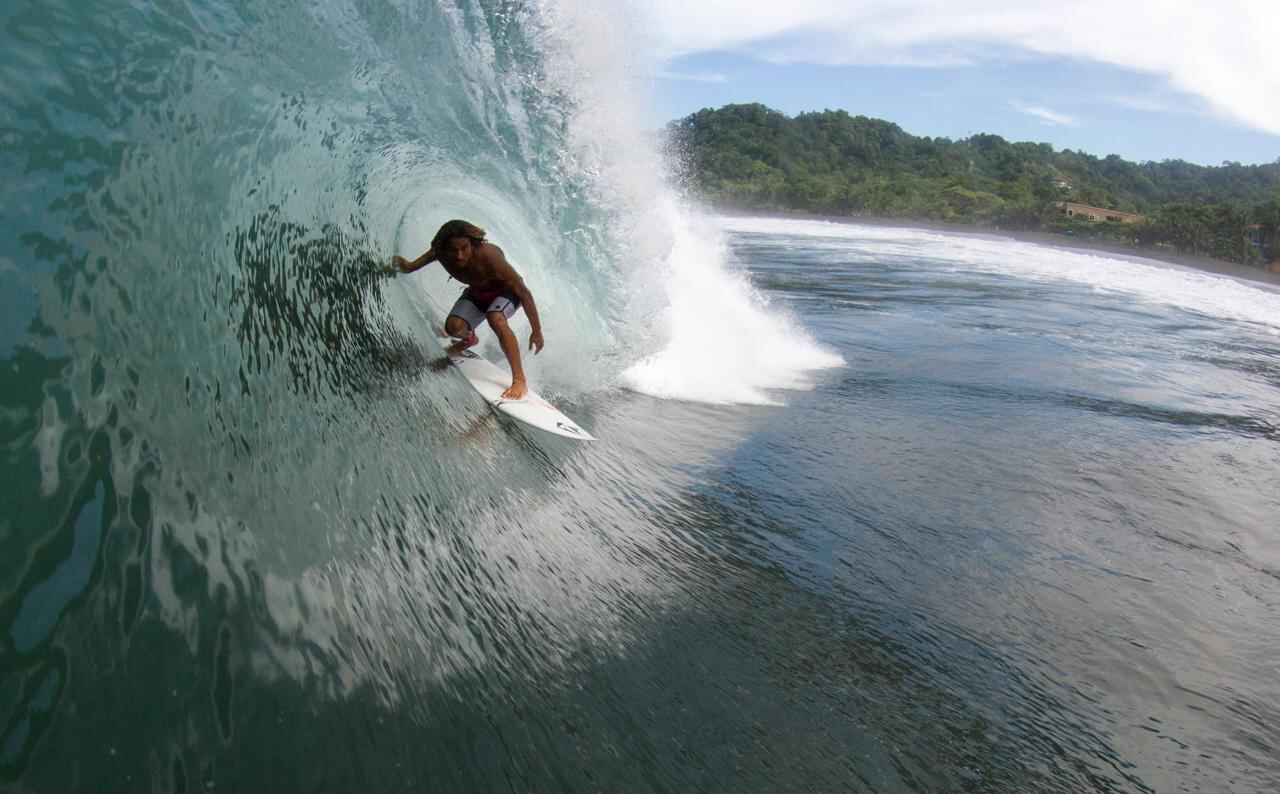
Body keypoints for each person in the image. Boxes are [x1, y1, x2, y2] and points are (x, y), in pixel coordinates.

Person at [392, 220, 544, 400]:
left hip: (507, 293)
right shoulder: (440, 253)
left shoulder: (489, 256)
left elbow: (524, 293)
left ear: (473, 245)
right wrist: (396, 267)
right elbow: (410, 267)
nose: (459, 256)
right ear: (445, 249)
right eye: (454, 250)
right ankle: (468, 340)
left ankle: (519, 380)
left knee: (495, 317)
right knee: (453, 328)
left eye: (465, 248)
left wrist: (536, 331)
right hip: (478, 293)